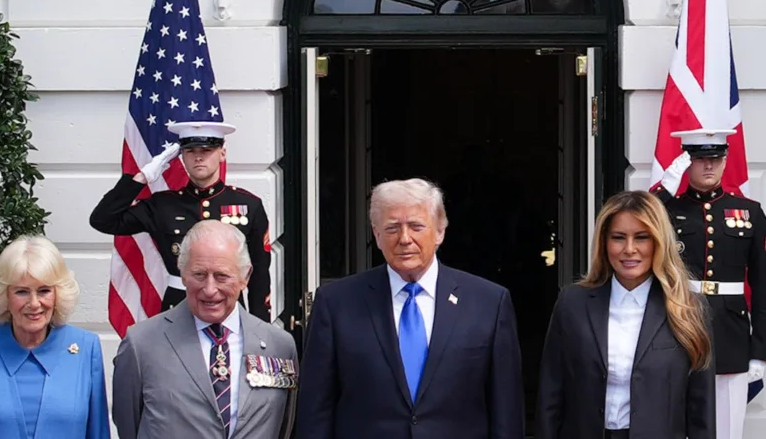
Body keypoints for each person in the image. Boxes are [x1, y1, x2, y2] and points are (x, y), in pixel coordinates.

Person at [296, 178, 524, 438]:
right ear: (376, 234)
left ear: (440, 231)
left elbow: (506, 413)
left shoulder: (488, 303)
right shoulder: (335, 303)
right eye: (392, 228)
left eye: (416, 226)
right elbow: (315, 412)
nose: (405, 239)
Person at [535, 190, 715, 439]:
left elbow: (701, 410)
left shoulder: (688, 307)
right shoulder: (572, 304)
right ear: (604, 242)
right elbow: (550, 394)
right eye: (618, 238)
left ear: (658, 242)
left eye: (641, 237)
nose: (629, 249)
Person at [112, 220, 297, 439]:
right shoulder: (141, 344)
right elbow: (128, 426)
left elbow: (285, 426)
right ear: (183, 275)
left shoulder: (279, 345)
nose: (210, 290)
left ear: (244, 277)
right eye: (199, 275)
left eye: (222, 276)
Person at [89, 121, 272, 321]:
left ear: (222, 153)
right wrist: (141, 178)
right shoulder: (163, 205)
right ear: (182, 157)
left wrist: (259, 329)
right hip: (178, 308)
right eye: (190, 151)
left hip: (229, 309)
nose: (199, 157)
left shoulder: (248, 205)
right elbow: (103, 220)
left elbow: (259, 275)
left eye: (207, 150)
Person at [652, 129, 766, 439]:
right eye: (699, 159)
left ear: (726, 161)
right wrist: (663, 191)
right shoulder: (667, 210)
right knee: (674, 423)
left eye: (715, 159)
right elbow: (635, 221)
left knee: (728, 429)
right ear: (686, 162)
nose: (708, 167)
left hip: (731, 334)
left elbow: (762, 283)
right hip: (679, 326)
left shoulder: (751, 213)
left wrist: (760, 350)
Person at [0, 236, 110, 439]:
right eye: (21, 291)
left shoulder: (85, 348)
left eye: (44, 291)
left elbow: (99, 433)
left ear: (58, 294)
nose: (34, 303)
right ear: (5, 295)